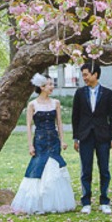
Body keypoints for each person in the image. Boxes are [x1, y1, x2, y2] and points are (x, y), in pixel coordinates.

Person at [10, 75, 77, 214]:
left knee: (54, 166)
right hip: (40, 140)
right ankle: (38, 201)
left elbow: (59, 123)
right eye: (49, 85)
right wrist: (30, 145)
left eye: (52, 84)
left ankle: (54, 201)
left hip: (53, 139)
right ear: (42, 87)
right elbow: (29, 126)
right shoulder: (32, 105)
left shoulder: (56, 103)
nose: (52, 87)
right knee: (38, 166)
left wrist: (63, 140)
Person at [72, 60, 112, 214]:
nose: (84, 77)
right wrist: (76, 138)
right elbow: (75, 117)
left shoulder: (107, 93)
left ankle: (104, 201)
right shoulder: (79, 93)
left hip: (103, 136)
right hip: (85, 136)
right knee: (86, 170)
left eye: (86, 74)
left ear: (95, 74)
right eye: (83, 75)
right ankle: (86, 202)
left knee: (104, 170)